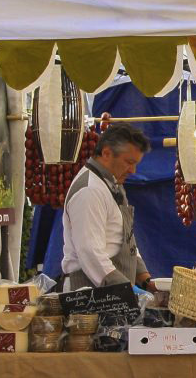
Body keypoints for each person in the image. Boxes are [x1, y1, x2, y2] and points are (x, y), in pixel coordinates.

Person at [60, 124, 153, 291]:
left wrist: (147, 282)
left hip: (115, 292)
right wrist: (127, 290)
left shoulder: (113, 184)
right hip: (90, 294)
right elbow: (91, 253)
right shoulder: (90, 190)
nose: (133, 170)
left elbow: (126, 240)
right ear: (106, 153)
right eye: (129, 162)